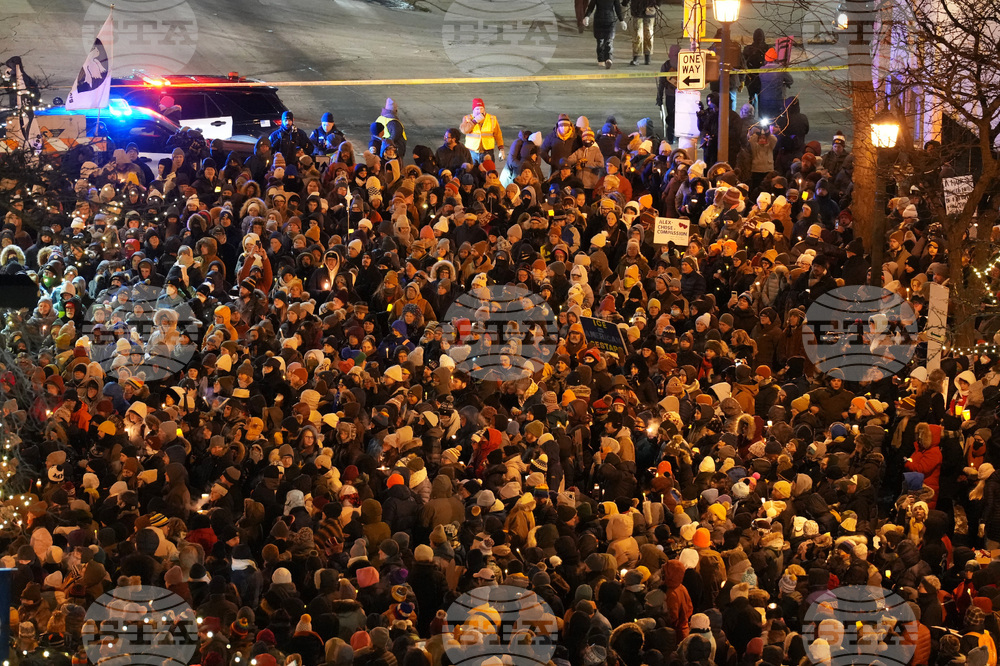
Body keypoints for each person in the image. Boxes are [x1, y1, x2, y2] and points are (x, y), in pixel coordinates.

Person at [583, 0, 627, 69]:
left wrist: (587, 16)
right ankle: (606, 58)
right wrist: (621, 20)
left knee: (602, 40)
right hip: (608, 19)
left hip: (601, 19)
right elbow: (617, 8)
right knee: (606, 41)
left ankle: (604, 59)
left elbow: (590, 7)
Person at [459, 98, 504, 164]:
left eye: (481, 108)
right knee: (472, 171)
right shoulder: (467, 118)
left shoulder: (492, 118)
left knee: (488, 171)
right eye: (477, 109)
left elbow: (498, 134)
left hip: (487, 151)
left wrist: (501, 149)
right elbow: (464, 130)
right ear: (473, 110)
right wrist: (474, 121)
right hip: (472, 152)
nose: (480, 111)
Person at [757, 48, 793, 122]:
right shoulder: (781, 69)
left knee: (765, 118)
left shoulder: (761, 70)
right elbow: (790, 81)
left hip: (764, 99)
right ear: (776, 59)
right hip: (778, 99)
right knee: (777, 119)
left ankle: (766, 131)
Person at [626, 0, 659, 65]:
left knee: (649, 34)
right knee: (638, 34)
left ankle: (647, 55)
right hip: (637, 10)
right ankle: (636, 56)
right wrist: (624, 4)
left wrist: (656, 6)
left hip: (650, 9)